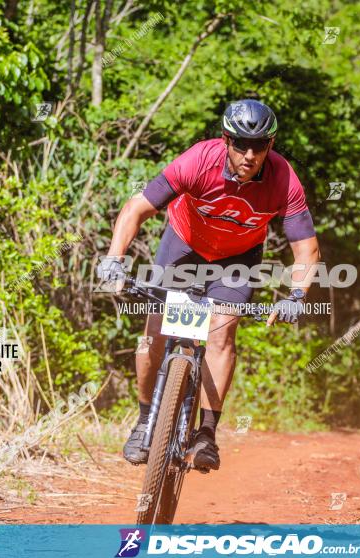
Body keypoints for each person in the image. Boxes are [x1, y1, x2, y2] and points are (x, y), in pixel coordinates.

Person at [97, 99, 320, 470]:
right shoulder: (198, 161)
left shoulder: (283, 179)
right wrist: (113, 260)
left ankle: (206, 435)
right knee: (153, 332)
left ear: (271, 144)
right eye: (241, 144)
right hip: (183, 246)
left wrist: (297, 296)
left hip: (237, 259)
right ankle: (143, 422)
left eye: (260, 145)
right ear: (225, 140)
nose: (250, 154)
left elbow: (306, 247)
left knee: (221, 336)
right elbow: (137, 207)